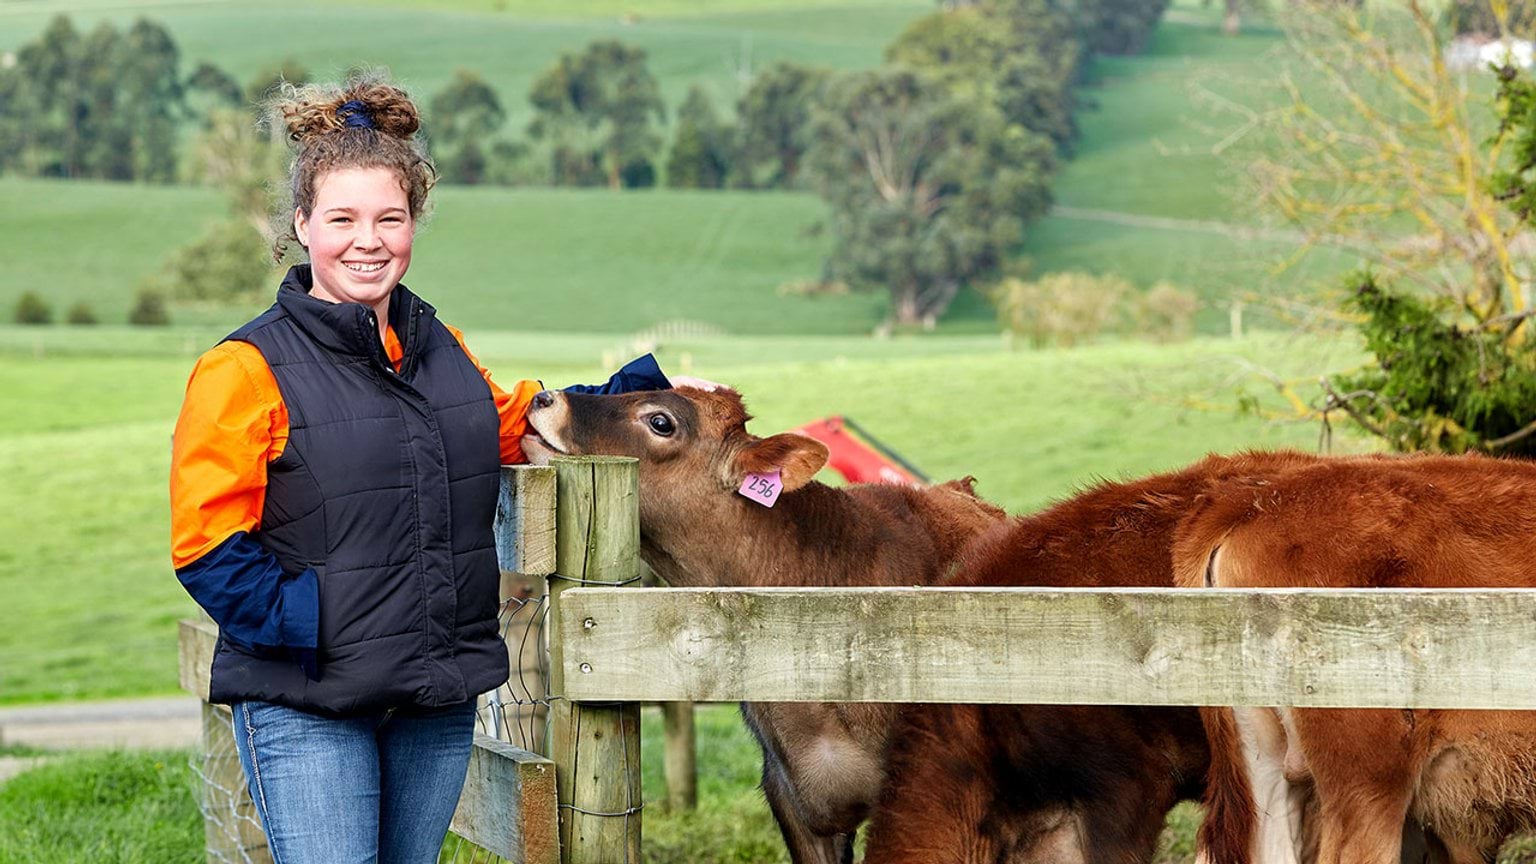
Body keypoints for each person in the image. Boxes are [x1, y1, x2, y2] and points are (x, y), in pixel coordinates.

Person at [169, 74, 678, 863]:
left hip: (433, 700)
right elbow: (207, 549)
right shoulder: (243, 368)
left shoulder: (440, 349)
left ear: (414, 224)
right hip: (310, 703)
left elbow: (517, 423)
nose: (367, 240)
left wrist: (651, 396)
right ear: (302, 225)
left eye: (389, 218)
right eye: (341, 218)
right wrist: (319, 629)